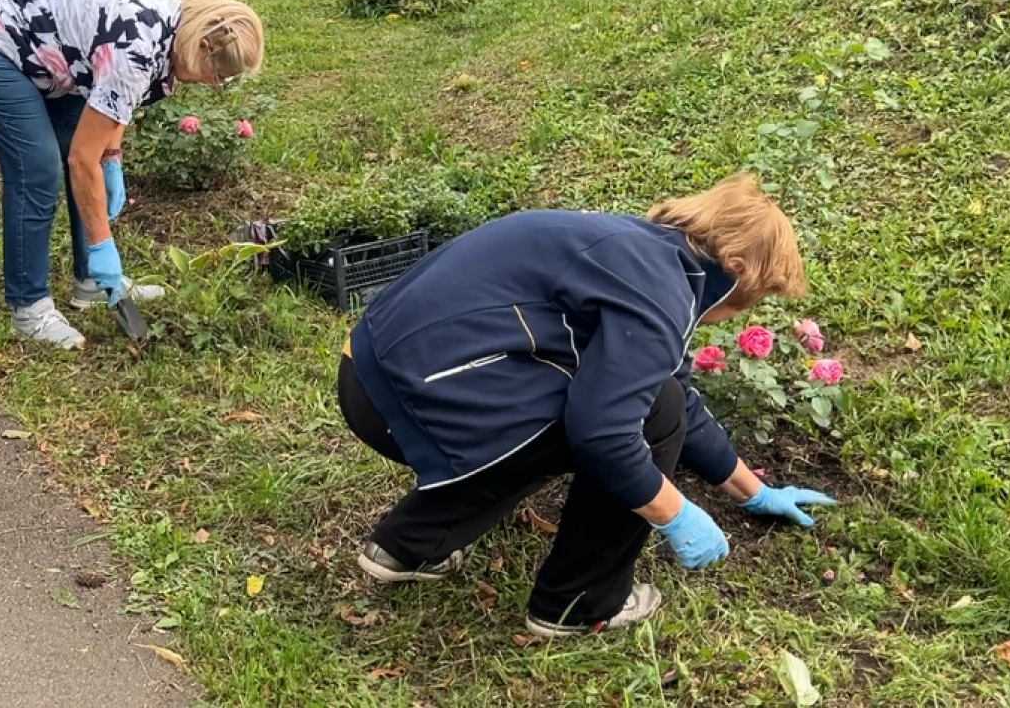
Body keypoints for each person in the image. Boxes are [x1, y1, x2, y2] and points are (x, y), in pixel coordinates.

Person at [336, 173, 837, 638]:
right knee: (637, 414)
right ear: (737, 269)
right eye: (752, 298)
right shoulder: (662, 290)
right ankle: (579, 603)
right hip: (420, 399)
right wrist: (676, 513)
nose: (737, 314)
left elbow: (678, 388)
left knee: (578, 408)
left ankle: (408, 547)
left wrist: (752, 491)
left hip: (368, 377)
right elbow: (606, 431)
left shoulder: (639, 252)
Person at [0, 0, 263, 348]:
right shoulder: (140, 47)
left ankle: (89, 282)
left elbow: (112, 100)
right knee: (38, 165)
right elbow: (82, 156)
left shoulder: (169, 25)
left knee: (81, 151)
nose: (215, 87)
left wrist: (111, 158)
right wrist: (103, 242)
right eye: (219, 76)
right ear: (204, 46)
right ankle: (30, 308)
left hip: (47, 39)